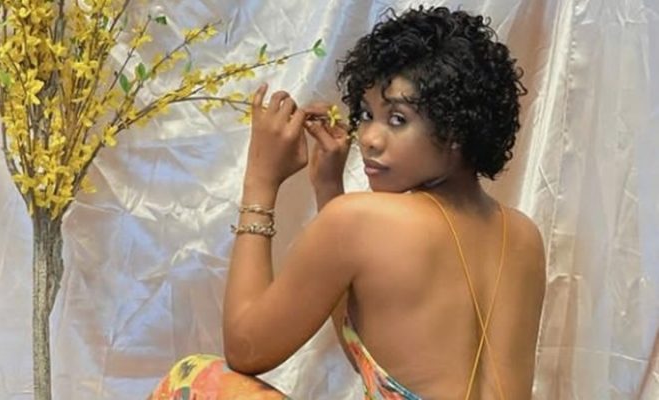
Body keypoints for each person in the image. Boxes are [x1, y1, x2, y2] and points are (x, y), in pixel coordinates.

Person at [149, 5, 546, 400]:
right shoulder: (524, 236)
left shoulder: (360, 221)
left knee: (195, 375)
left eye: (397, 119)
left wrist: (260, 181)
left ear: (455, 129)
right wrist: (328, 187)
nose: (369, 138)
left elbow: (244, 347)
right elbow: (374, 349)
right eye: (367, 114)